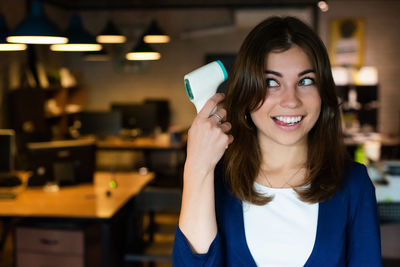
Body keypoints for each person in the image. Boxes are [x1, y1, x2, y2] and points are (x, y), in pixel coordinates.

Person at [173, 16, 381, 266]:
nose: (291, 100)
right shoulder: (216, 181)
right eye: (271, 82)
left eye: (305, 81)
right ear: (247, 93)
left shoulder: (354, 184)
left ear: (323, 92)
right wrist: (197, 166)